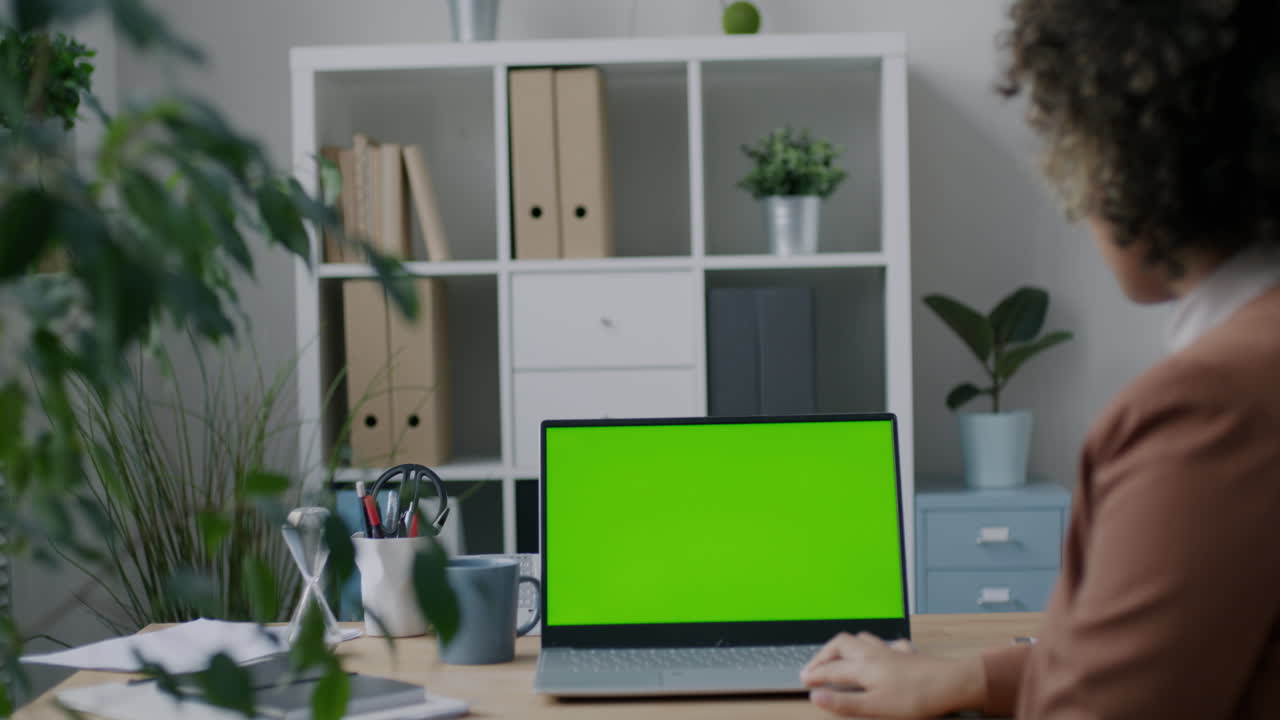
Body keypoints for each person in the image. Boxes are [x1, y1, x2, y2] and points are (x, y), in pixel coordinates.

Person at [800, 0, 1280, 717]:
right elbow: (1185, 648)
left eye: (1071, 153)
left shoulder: (1209, 406)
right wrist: (967, 678)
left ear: (1130, 161)